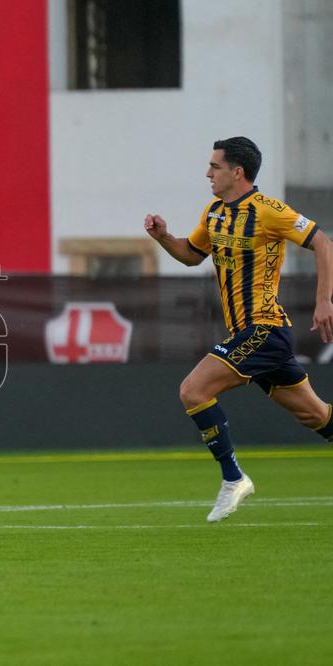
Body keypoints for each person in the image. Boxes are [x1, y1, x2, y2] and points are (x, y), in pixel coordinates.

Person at [144, 136, 333, 522]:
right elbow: (192, 255)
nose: (208, 173)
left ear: (237, 171)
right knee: (317, 417)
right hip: (252, 335)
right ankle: (233, 479)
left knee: (193, 390)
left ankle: (233, 479)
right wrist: (163, 236)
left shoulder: (268, 211)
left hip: (264, 328)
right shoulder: (214, 212)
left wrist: (324, 301)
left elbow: (322, 242)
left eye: (215, 166)